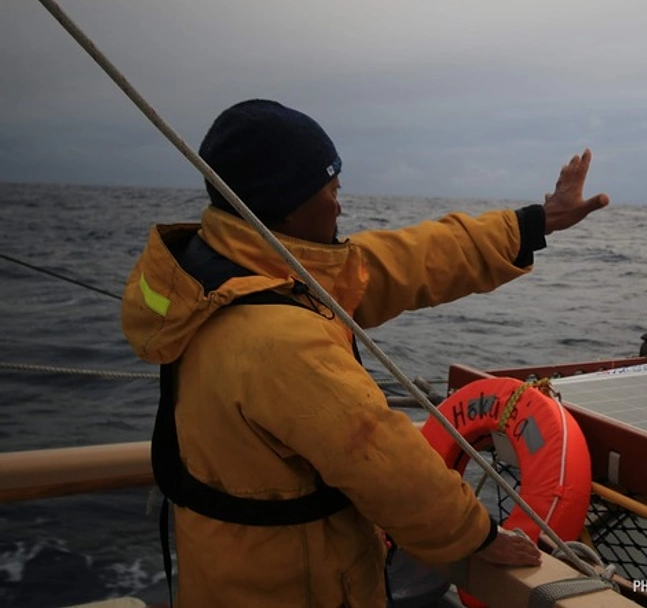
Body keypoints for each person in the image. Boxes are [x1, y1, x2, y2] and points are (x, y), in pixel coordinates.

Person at [120, 99, 609, 608]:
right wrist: (480, 535)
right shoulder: (276, 336)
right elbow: (385, 462)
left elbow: (416, 257)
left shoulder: (231, 271)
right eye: (331, 190)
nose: (340, 205)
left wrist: (535, 223)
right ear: (288, 205)